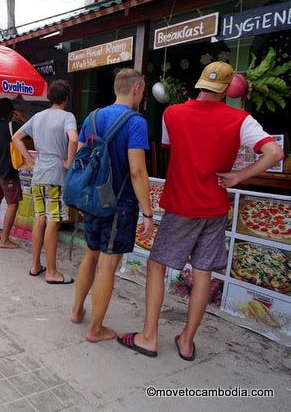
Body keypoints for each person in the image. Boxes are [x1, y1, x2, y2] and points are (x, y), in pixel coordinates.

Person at [118, 61, 284, 360]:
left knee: (157, 265)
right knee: (203, 272)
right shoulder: (241, 119)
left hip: (181, 205)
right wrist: (238, 176)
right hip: (215, 207)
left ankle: (149, 337)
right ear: (227, 89)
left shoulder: (173, 113)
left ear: (199, 84)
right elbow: (275, 152)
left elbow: (171, 148)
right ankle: (186, 341)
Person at [70, 68, 154, 343]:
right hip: (120, 205)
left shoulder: (92, 117)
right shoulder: (136, 122)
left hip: (92, 200)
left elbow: (81, 160)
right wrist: (148, 213)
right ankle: (95, 329)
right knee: (107, 265)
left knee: (90, 255)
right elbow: (138, 171)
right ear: (138, 89)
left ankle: (76, 310)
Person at [12, 80, 78, 284]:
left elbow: (16, 137)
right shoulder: (67, 116)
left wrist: (30, 159)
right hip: (56, 176)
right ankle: (51, 271)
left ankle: (35, 266)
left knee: (40, 218)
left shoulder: (38, 117)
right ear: (66, 98)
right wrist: (68, 162)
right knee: (52, 221)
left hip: (38, 174)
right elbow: (74, 139)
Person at [0, 98, 23, 248]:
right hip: (8, 172)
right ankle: (5, 240)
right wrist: (21, 119)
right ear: (11, 111)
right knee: (13, 204)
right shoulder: (12, 126)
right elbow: (30, 132)